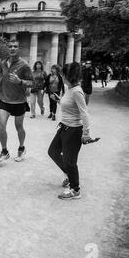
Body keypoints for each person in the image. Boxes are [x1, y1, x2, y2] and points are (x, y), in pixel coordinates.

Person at [48, 62, 93, 200]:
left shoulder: (77, 91)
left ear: (67, 76)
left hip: (74, 130)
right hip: (64, 127)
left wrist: (86, 133)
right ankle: (69, 174)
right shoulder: (69, 89)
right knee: (53, 152)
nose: (62, 76)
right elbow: (69, 105)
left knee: (70, 161)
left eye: (63, 74)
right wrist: (58, 100)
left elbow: (84, 113)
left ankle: (75, 189)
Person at [0, 40, 36, 164]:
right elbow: (2, 76)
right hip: (4, 100)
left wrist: (20, 82)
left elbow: (33, 83)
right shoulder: (3, 63)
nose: (12, 48)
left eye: (15, 46)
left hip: (19, 101)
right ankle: (4, 151)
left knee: (19, 127)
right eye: (10, 46)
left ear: (19, 49)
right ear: (8, 48)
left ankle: (21, 147)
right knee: (1, 126)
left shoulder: (24, 65)